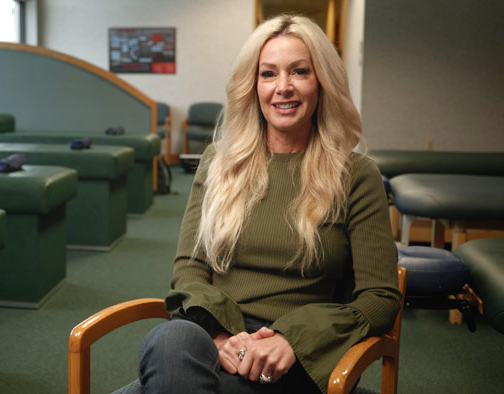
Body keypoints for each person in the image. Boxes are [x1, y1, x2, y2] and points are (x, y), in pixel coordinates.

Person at [132, 14, 401, 394]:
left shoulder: (356, 175)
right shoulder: (219, 162)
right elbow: (190, 269)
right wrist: (225, 338)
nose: (283, 88)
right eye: (269, 74)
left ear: (322, 83)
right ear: (253, 85)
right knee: (171, 339)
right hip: (216, 340)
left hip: (292, 359)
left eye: (300, 72)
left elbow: (381, 298)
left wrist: (291, 339)